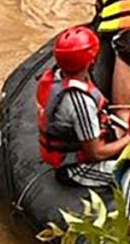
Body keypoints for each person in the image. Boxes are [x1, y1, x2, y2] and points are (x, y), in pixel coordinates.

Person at [35, 27, 121, 189]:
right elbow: (96, 153)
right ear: (91, 61)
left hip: (82, 143)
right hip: (77, 168)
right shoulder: (79, 100)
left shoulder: (56, 76)